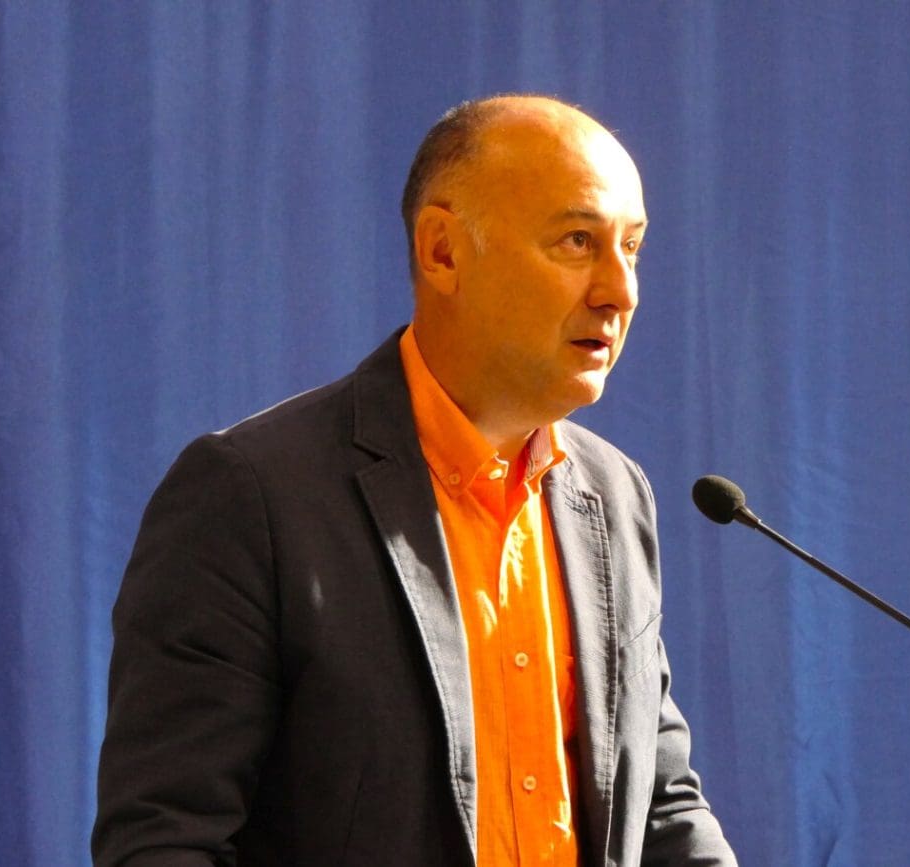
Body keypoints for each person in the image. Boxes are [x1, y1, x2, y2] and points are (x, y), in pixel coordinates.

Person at [92, 95, 736, 866]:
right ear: (443, 252)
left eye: (631, 247)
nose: (620, 290)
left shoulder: (616, 493)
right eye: (577, 241)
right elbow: (167, 838)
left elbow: (661, 803)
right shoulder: (251, 495)